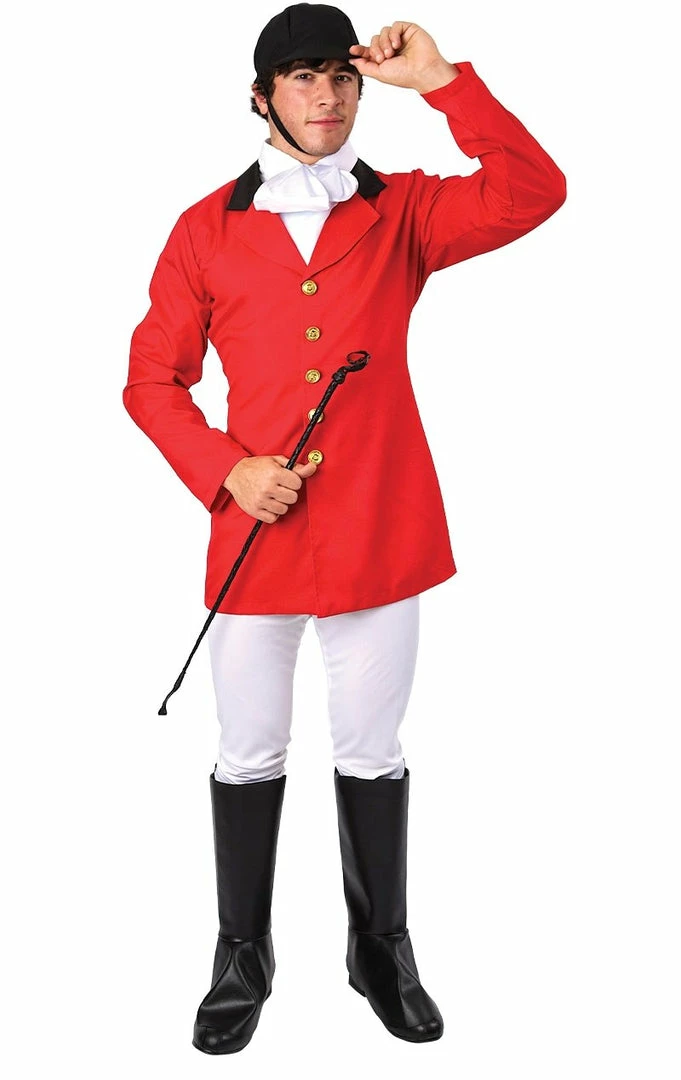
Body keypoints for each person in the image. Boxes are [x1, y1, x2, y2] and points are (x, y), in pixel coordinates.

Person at [122, 2, 566, 1055]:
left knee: (373, 748)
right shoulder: (202, 229)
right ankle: (242, 956)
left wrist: (444, 82)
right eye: (303, 77)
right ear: (262, 96)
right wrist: (228, 471)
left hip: (379, 525)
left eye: (343, 77)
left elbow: (534, 190)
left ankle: (381, 950)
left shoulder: (405, 211)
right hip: (257, 536)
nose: (327, 96)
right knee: (247, 750)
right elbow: (150, 382)